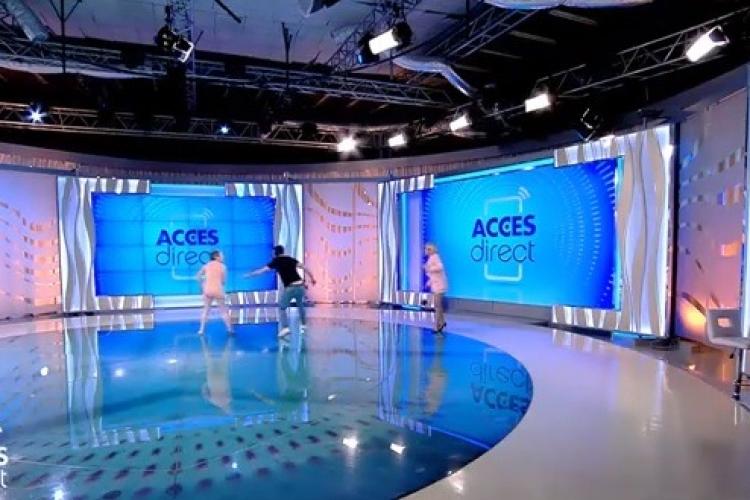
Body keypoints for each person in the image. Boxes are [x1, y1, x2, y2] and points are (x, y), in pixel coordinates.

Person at [246, 245, 316, 337]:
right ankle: (304, 325)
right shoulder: (290, 259)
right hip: (300, 286)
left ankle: (286, 328)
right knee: (300, 305)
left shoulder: (276, 261)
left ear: (275, 253)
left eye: (272, 253)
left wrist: (250, 275)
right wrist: (312, 278)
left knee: (282, 307)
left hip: (291, 287)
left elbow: (262, 271)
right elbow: (305, 268)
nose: (272, 254)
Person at [196, 250, 234, 335]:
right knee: (224, 311)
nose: (223, 257)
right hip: (218, 290)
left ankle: (201, 330)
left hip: (207, 290)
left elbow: (198, 276)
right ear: (216, 257)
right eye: (221, 255)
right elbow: (223, 282)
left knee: (206, 310)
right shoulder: (223, 267)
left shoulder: (206, 265)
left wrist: (202, 286)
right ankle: (230, 329)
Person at [424, 243, 448, 333]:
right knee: (438, 306)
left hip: (439, 286)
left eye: (428, 249)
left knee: (437, 306)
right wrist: (428, 283)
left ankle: (437, 326)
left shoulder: (435, 257)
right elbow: (433, 275)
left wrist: (429, 269)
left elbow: (440, 267)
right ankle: (442, 322)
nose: (426, 251)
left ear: (431, 250)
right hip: (436, 285)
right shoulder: (431, 258)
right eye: (426, 249)